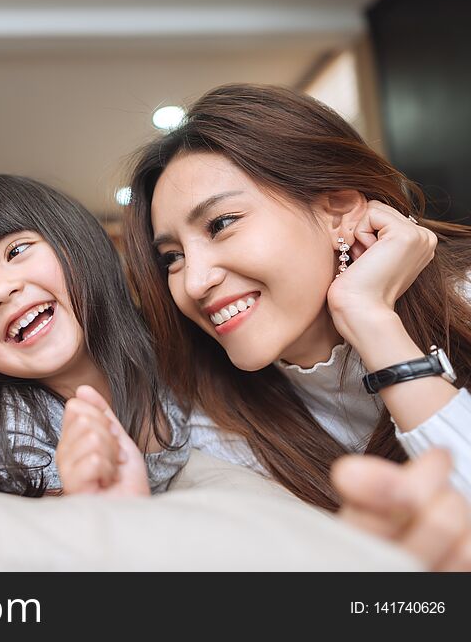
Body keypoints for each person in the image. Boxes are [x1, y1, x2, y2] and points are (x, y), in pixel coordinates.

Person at [119, 83, 471, 510]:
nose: (194, 283)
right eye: (172, 258)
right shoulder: (211, 424)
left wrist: (370, 320)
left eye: (221, 224)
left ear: (338, 210)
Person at [0, 174, 188, 495]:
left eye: (16, 250)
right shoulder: (8, 428)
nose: (0, 290)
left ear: (75, 241)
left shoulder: (170, 350)